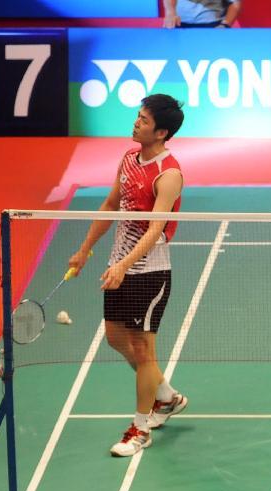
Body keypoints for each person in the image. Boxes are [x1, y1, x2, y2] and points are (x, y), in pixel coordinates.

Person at [69, 95, 187, 457]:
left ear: (162, 131)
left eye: (144, 119)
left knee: (142, 348)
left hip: (149, 271)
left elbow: (155, 230)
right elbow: (110, 205)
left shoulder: (169, 175)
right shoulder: (128, 159)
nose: (136, 122)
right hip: (119, 265)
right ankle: (165, 395)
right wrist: (86, 248)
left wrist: (123, 266)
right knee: (114, 337)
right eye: (138, 116)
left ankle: (141, 427)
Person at [163, 0, 242, 28]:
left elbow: (234, 3)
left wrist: (225, 25)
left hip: (213, 25)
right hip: (179, 23)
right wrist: (170, 12)